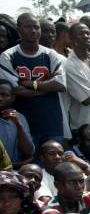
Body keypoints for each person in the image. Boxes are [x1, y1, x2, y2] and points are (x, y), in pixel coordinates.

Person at [0, 13, 67, 151]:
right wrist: (48, 87)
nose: (33, 30)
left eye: (36, 27)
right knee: (29, 168)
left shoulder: (51, 54)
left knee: (54, 167)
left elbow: (60, 85)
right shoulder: (8, 56)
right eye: (28, 27)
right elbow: (15, 91)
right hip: (23, 124)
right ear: (19, 30)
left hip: (52, 122)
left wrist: (31, 84)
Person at [0, 79, 34, 167]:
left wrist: (18, 124)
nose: (0, 98)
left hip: (13, 173)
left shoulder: (20, 118)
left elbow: (28, 152)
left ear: (12, 98)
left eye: (4, 95)